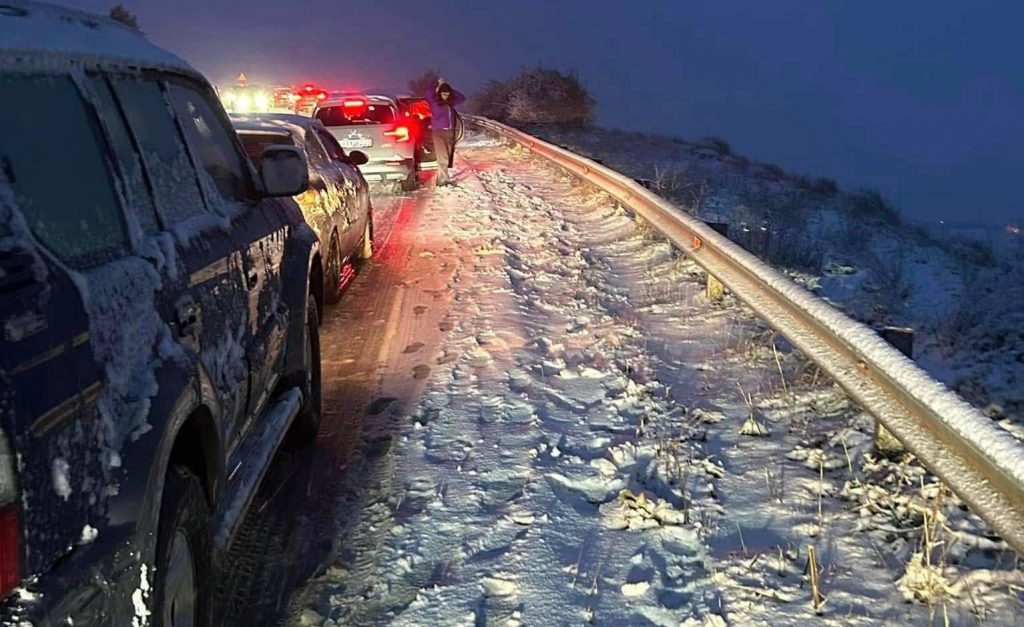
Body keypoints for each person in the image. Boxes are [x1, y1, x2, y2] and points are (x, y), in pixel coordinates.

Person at [425, 78, 465, 186]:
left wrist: (450, 89)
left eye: (447, 94)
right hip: (438, 132)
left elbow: (462, 97)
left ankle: (440, 179)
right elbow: (428, 91)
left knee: (447, 156)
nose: (445, 96)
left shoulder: (451, 103)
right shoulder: (434, 102)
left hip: (450, 132)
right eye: (443, 93)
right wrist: (437, 83)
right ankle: (444, 181)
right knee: (442, 157)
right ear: (439, 93)